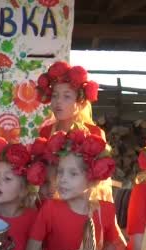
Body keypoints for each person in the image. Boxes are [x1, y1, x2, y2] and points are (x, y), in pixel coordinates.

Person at [25, 127, 129, 250]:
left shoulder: (104, 210)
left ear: (92, 179)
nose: (62, 180)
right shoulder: (50, 209)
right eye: (61, 172)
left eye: (73, 174)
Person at [34, 61, 105, 200]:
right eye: (55, 95)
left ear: (80, 102)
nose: (58, 102)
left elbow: (97, 176)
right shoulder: (46, 131)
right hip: (49, 198)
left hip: (82, 200)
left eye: (66, 96)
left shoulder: (94, 133)